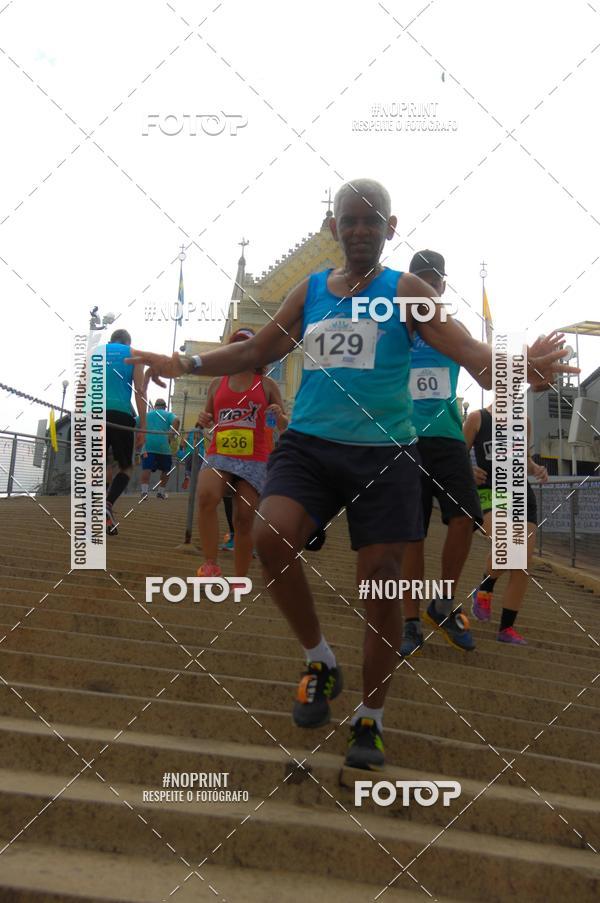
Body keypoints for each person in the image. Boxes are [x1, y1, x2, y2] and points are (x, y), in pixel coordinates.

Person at [128, 179, 576, 770]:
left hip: (385, 453)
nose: (360, 229)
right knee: (268, 535)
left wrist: (520, 367)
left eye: (372, 221)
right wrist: (184, 361)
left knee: (382, 582)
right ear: (334, 227)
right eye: (349, 220)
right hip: (310, 445)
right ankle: (320, 658)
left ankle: (372, 716)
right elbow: (254, 352)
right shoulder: (309, 290)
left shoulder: (407, 290)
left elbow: (473, 356)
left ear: (391, 229)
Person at [400, 250, 482, 657]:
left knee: (465, 517)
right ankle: (409, 622)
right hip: (403, 440)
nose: (428, 287)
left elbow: (484, 369)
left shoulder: (454, 330)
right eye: (421, 280)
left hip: (448, 437)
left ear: (442, 286)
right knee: (411, 532)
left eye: (434, 281)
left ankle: (443, 604)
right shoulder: (394, 329)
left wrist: (525, 368)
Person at [195, 327, 287, 580]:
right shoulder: (216, 383)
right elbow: (209, 419)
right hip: (220, 452)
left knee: (244, 517)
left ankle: (239, 577)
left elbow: (283, 424)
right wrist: (204, 418)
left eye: (247, 345)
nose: (242, 350)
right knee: (206, 496)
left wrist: (279, 415)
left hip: (256, 456)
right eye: (237, 345)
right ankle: (210, 564)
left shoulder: (267, 385)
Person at [465, 405, 548, 644]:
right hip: (491, 493)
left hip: (521, 493)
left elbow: (526, 460)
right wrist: (469, 469)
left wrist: (536, 469)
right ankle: (485, 586)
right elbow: (457, 454)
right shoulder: (477, 419)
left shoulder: (525, 421)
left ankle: (506, 628)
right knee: (507, 545)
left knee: (522, 562)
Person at [105, 329, 146, 535]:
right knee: (125, 467)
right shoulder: (135, 354)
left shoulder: (96, 352)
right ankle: (107, 505)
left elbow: (83, 386)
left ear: (111, 341)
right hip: (121, 415)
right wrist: (143, 426)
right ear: (128, 342)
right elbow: (140, 391)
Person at [139, 399, 179, 499]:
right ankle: (160, 492)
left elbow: (133, 421)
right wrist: (172, 435)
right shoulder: (168, 414)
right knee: (166, 469)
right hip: (163, 446)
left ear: (155, 406)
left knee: (146, 468)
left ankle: (144, 492)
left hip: (148, 445)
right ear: (165, 407)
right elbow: (177, 421)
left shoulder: (147, 415)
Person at [181, 421, 205, 492]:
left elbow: (184, 441)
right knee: (197, 472)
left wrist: (184, 450)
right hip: (199, 453)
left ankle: (187, 477)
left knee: (188, 468)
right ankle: (195, 489)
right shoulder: (202, 433)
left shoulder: (190, 431)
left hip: (189, 453)